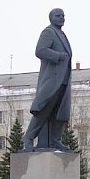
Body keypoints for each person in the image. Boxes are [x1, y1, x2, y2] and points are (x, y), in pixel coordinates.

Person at [23, 8, 72, 152]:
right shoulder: (49, 32)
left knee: (60, 112)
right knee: (44, 110)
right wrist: (58, 56)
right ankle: (29, 137)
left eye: (63, 15)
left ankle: (55, 140)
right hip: (52, 80)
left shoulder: (62, 34)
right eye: (58, 16)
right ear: (51, 18)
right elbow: (40, 50)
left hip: (63, 80)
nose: (61, 18)